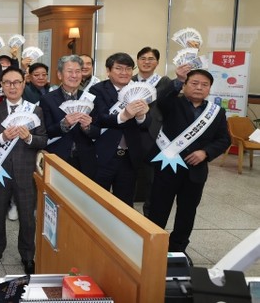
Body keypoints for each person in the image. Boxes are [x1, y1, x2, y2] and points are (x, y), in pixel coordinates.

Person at [148, 66, 230, 256]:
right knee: (158, 210)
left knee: (187, 212)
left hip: (195, 171)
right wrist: (177, 79)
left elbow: (224, 139)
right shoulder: (172, 103)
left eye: (204, 85)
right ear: (184, 85)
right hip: (167, 168)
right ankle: (152, 249)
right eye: (194, 83)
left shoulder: (216, 112)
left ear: (210, 89)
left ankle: (178, 249)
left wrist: (206, 152)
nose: (199, 87)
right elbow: (163, 97)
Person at [0, 66, 47, 275]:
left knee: (27, 218)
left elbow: (43, 140)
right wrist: (3, 137)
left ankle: (28, 256)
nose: (12, 86)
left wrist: (29, 138)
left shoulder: (35, 110)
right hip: (0, 172)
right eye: (8, 83)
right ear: (1, 86)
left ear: (23, 84)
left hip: (26, 172)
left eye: (17, 82)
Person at [90, 52, 150, 206]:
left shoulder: (139, 90)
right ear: (108, 71)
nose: (124, 72)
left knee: (125, 203)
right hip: (103, 156)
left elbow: (146, 125)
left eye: (128, 69)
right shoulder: (97, 90)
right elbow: (99, 118)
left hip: (129, 157)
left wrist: (141, 116)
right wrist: (124, 115)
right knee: (97, 201)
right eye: (119, 68)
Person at [40, 55, 100, 180]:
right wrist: (64, 124)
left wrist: (87, 127)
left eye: (78, 71)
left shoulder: (90, 98)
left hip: (85, 159)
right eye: (70, 71)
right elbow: (46, 131)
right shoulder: (47, 99)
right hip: (59, 157)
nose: (74, 75)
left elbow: (97, 131)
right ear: (59, 75)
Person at [133, 46, 171, 216]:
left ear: (157, 62)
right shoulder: (129, 81)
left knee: (152, 178)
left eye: (151, 59)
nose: (146, 62)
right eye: (143, 58)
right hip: (131, 133)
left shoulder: (164, 82)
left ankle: (149, 216)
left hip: (154, 134)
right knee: (129, 176)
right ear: (137, 61)